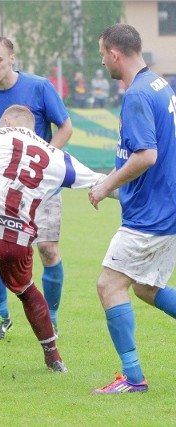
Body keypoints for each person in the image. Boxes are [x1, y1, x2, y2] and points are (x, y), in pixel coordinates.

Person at [0, 105, 107, 376]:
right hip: (19, 237)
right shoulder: (56, 156)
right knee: (27, 291)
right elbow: (100, 182)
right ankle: (54, 358)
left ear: (7, 121)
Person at [88, 23, 176, 394]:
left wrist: (107, 184)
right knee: (145, 287)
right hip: (164, 208)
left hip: (150, 217)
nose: (102, 61)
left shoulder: (138, 94)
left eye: (102, 53)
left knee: (109, 285)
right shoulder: (159, 84)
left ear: (114, 54)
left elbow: (147, 155)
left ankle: (133, 377)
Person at [0, 35, 73, 340]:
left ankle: (50, 318)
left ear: (12, 58)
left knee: (48, 250)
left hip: (40, 188)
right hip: (0, 191)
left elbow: (65, 126)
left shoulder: (39, 87)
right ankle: (2, 316)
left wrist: (47, 163)